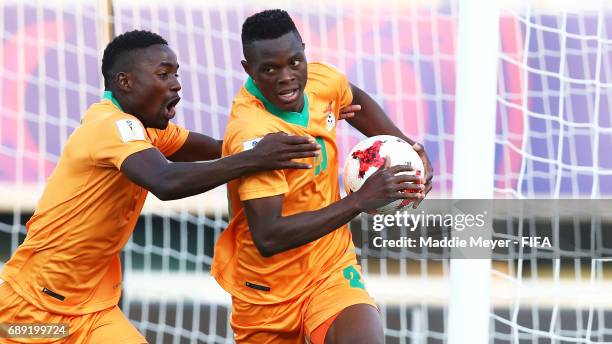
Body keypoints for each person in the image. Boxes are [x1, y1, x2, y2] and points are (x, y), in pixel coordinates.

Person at [0, 30, 331, 343]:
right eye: (163, 74)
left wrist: (293, 126)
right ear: (125, 82)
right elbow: (166, 181)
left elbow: (225, 147)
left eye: (177, 74)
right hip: (31, 310)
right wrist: (255, 159)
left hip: (91, 311)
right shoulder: (110, 126)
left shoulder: (148, 132)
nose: (176, 85)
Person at [211, 9, 433, 344]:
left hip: (330, 270)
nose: (286, 77)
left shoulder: (320, 81)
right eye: (269, 69)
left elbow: (352, 96)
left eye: (295, 62)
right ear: (249, 70)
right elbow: (269, 237)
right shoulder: (254, 134)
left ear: (304, 50)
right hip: (266, 296)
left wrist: (408, 147)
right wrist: (359, 200)